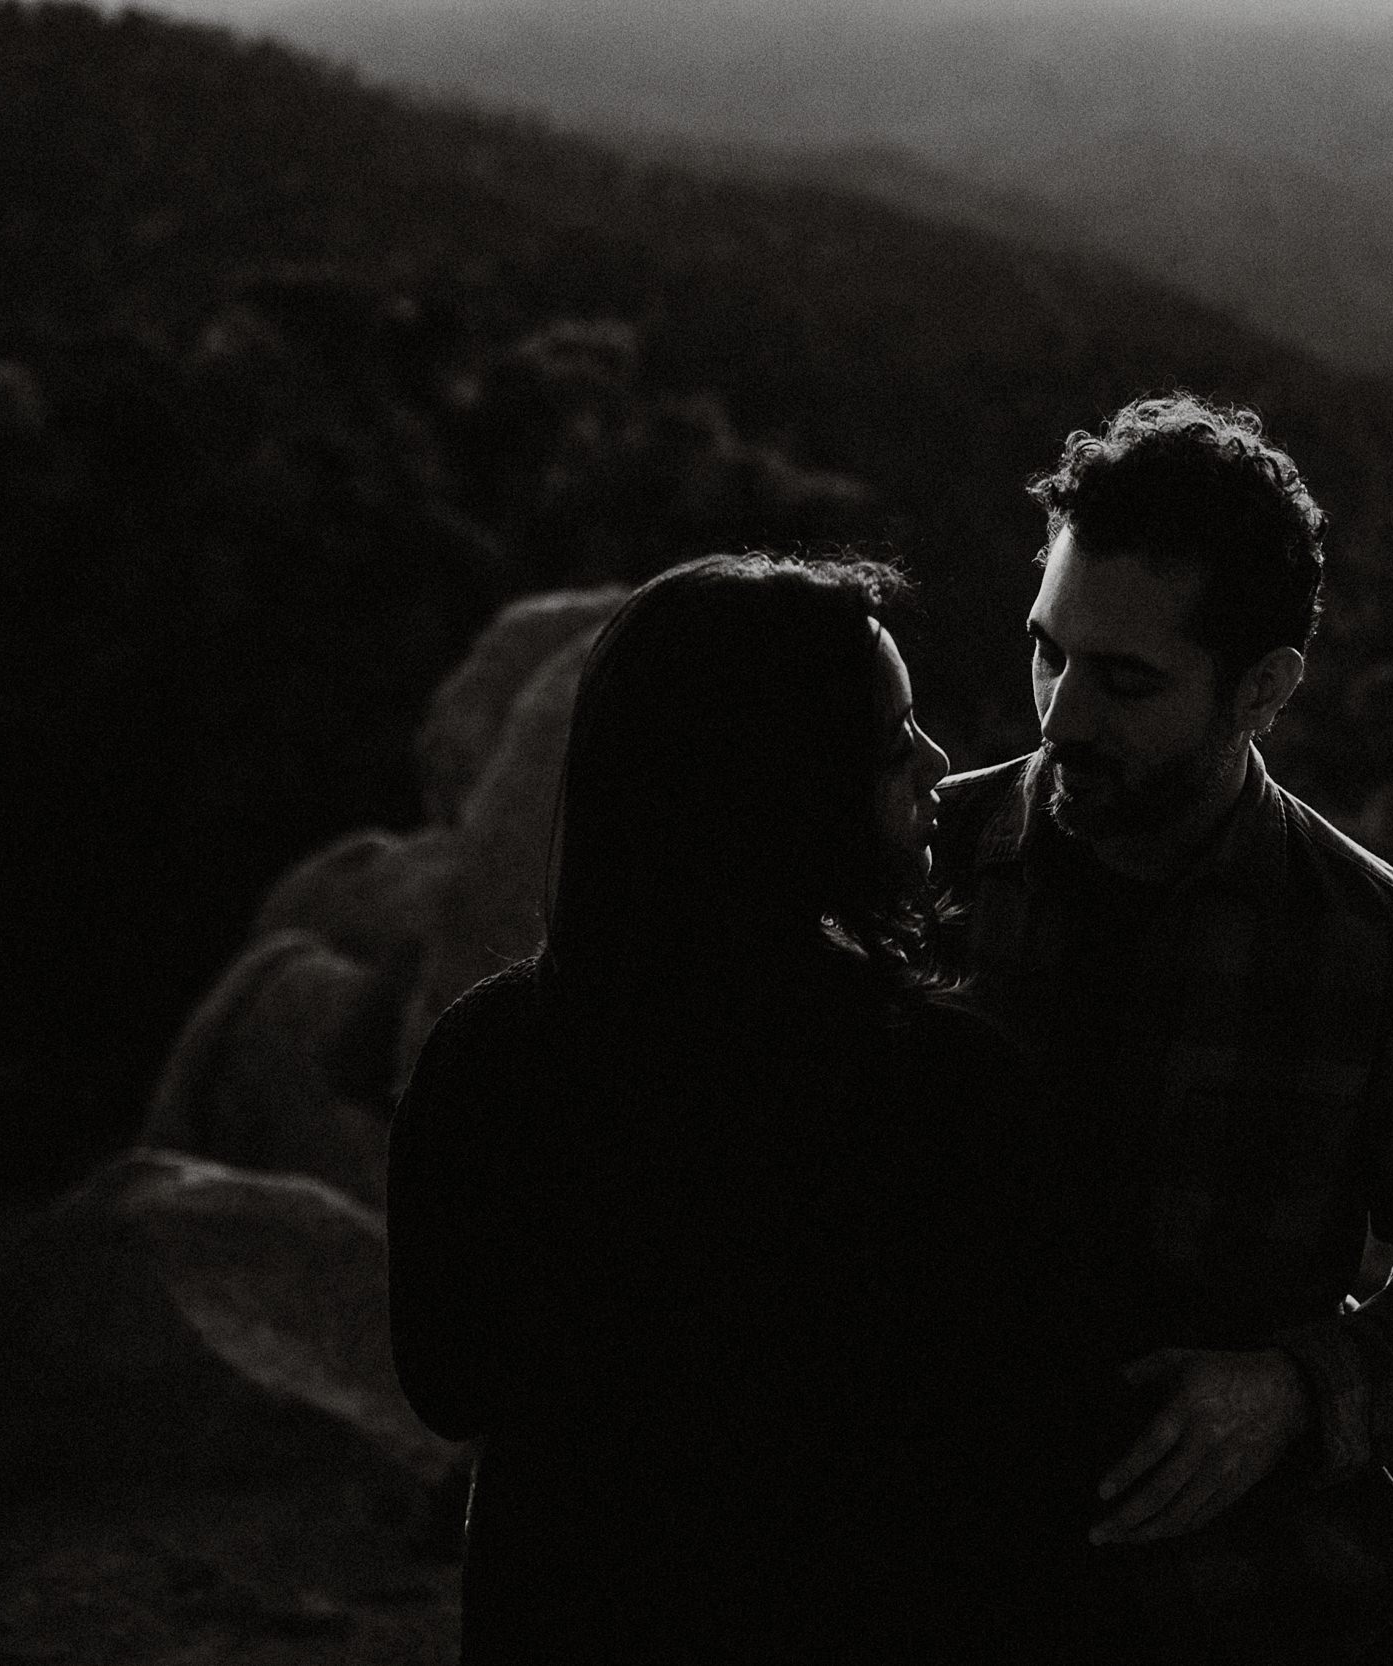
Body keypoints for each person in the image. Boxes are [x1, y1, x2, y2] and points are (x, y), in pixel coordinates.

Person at [386, 553, 1107, 1663]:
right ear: (783, 794)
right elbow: (1028, 1470)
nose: (934, 762)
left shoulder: (491, 1057)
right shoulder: (946, 1093)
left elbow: (446, 1381)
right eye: (890, 738)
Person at [936, 395, 1393, 1664]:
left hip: (1248, 1582)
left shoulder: (1377, 945)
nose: (1055, 720)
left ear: (1262, 690)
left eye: (1125, 681)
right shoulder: (919, 862)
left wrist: (1290, 1393)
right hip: (930, 1556)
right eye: (1046, 649)